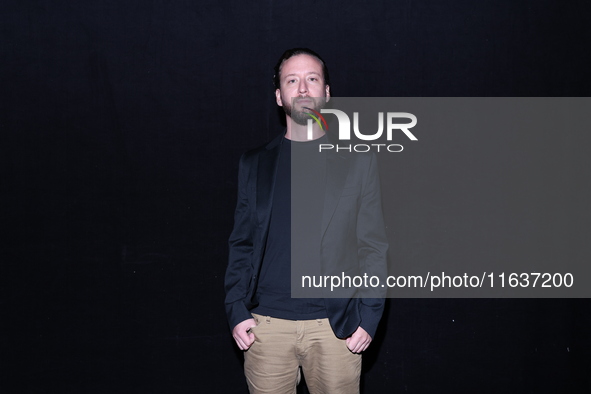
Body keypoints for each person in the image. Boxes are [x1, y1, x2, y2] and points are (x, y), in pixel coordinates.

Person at [224, 48, 388, 394]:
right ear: (279, 95)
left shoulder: (358, 162)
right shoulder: (253, 164)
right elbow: (242, 243)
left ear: (326, 93)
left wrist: (370, 317)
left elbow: (372, 245)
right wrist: (236, 308)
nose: (302, 89)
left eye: (312, 79)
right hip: (265, 328)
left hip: (335, 330)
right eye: (292, 80)